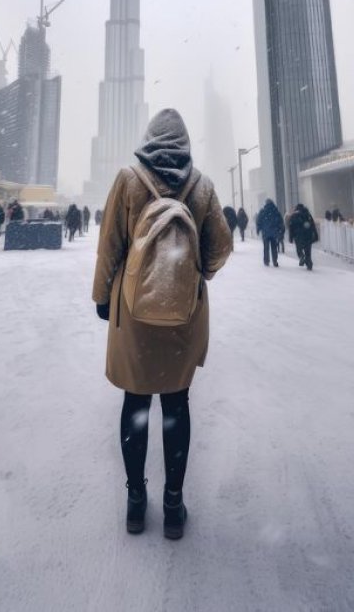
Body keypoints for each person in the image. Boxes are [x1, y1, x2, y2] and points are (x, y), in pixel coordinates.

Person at [93, 109, 231, 540]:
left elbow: (109, 245)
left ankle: (136, 501)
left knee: (135, 402)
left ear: (147, 140)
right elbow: (220, 247)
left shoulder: (129, 180)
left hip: (133, 312)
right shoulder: (202, 186)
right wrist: (194, 276)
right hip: (183, 315)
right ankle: (174, 505)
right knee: (176, 404)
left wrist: (102, 297)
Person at [288, 203, 319, 271]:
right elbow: (313, 225)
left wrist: (291, 237)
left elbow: (291, 227)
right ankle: (309, 263)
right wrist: (316, 235)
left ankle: (301, 256)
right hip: (308, 235)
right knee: (308, 250)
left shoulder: (294, 216)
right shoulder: (307, 214)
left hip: (298, 236)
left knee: (299, 249)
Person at [256, 198, 285, 266]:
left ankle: (266, 261)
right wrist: (281, 231)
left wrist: (258, 229)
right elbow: (280, 222)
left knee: (266, 248)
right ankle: (275, 261)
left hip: (265, 232)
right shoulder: (276, 211)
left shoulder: (263, 211)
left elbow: (259, 221)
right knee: (274, 247)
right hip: (274, 233)